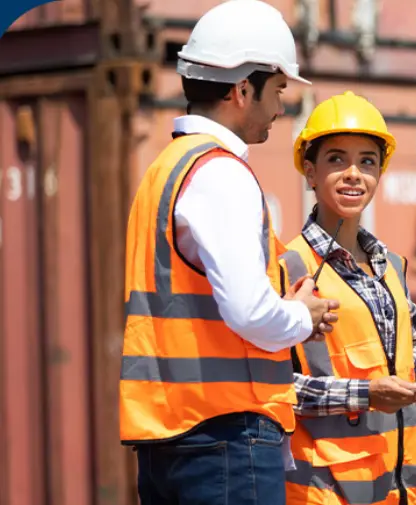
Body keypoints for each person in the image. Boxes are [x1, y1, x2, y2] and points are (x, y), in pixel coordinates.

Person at [119, 1, 339, 503]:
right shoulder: (222, 174)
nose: (281, 109)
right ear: (243, 90)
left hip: (169, 434)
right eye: (278, 90)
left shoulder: (166, 169)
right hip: (225, 436)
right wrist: (301, 316)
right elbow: (249, 312)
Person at [278, 91, 416, 505]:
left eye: (367, 161)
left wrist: (401, 380)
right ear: (310, 173)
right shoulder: (288, 266)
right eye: (337, 159)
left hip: (404, 486)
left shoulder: (393, 266)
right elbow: (275, 385)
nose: (354, 174)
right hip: (330, 490)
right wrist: (366, 394)